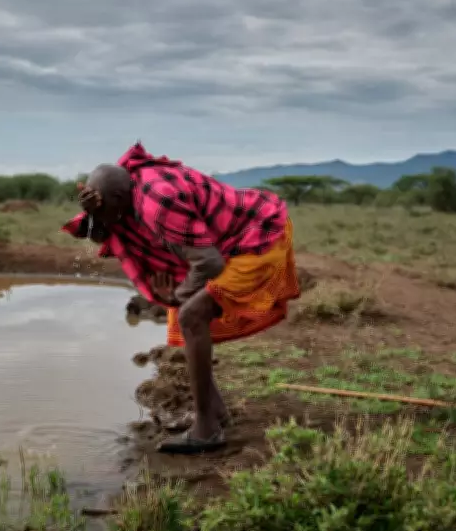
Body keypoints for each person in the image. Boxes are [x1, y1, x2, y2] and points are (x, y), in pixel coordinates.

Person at [62, 141, 301, 455]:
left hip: (259, 239)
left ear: (118, 199)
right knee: (181, 317)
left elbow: (210, 264)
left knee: (191, 315)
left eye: (104, 211)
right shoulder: (131, 185)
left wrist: (179, 295)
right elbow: (103, 228)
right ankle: (215, 412)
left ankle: (206, 430)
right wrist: (93, 212)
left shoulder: (158, 204)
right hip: (234, 241)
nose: (105, 222)